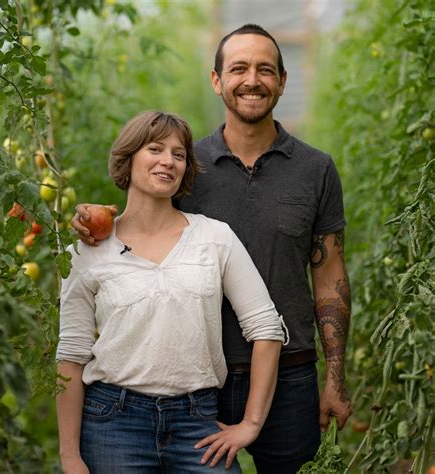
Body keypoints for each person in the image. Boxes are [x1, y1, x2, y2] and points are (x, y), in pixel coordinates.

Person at [73, 24, 352, 473]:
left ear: (282, 81)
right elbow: (140, 217)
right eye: (238, 68)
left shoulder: (316, 169)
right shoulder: (186, 167)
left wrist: (336, 378)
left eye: (265, 69)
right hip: (197, 382)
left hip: (290, 371)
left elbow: (330, 272)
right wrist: (92, 217)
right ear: (217, 80)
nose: (252, 80)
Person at [57, 110, 288, 474]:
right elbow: (70, 357)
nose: (168, 161)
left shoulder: (214, 238)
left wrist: (250, 424)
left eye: (179, 155)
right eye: (155, 149)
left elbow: (266, 329)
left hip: (196, 423)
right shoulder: (86, 252)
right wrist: (70, 457)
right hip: (113, 423)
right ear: (128, 157)